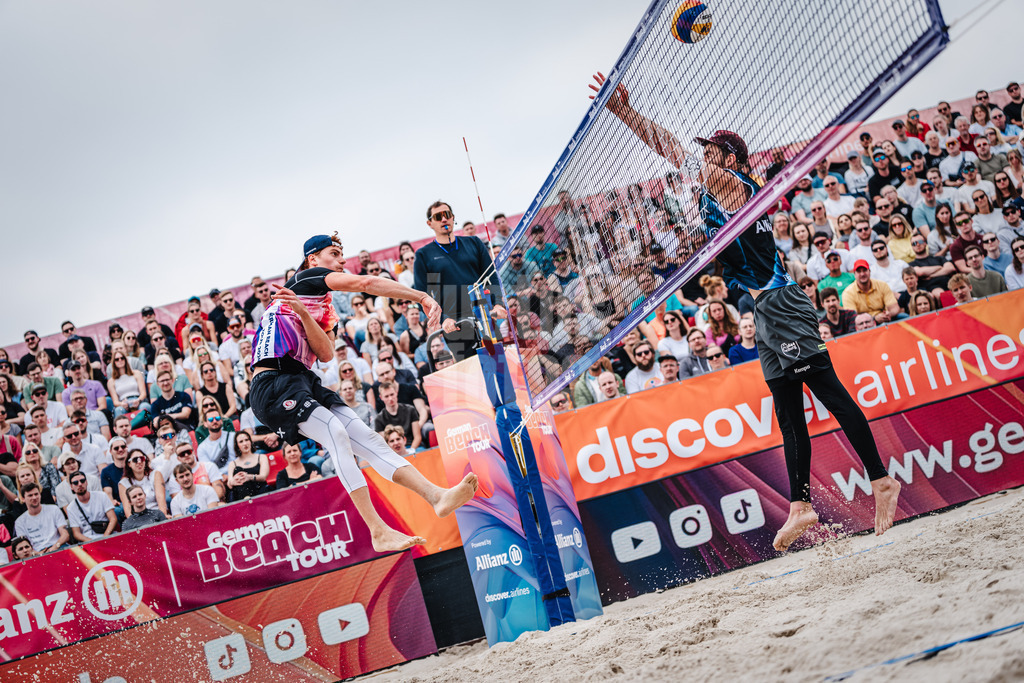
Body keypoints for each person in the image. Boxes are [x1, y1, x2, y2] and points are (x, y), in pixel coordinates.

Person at [592, 72, 898, 551]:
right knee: (788, 414)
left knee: (833, 398)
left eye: (711, 150)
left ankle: (881, 480)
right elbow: (679, 157)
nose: (703, 156)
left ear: (728, 157)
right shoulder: (717, 186)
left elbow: (672, 150)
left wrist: (625, 112)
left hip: (783, 305)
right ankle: (800, 505)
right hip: (763, 309)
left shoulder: (731, 180)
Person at [249, 233, 478, 552]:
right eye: (335, 253)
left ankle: (436, 497)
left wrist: (303, 314)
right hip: (271, 383)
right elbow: (366, 284)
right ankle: (377, 531)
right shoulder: (307, 278)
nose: (342, 260)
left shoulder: (321, 307)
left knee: (370, 439)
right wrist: (421, 297)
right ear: (314, 259)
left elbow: (326, 354)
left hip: (301, 378)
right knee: (336, 434)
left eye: (342, 254)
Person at [413, 201, 506, 362]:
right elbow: (422, 296)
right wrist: (443, 320)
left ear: (453, 218)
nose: (444, 219)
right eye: (438, 217)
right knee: (474, 375)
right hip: (454, 324)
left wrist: (498, 303)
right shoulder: (424, 255)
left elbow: (491, 277)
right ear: (430, 223)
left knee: (500, 365)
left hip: (484, 315)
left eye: (447, 215)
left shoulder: (474, 243)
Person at [14, 483, 69, 553]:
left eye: (36, 494)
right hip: (37, 553)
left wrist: (55, 547)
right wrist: (37, 554)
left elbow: (65, 534)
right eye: (30, 495)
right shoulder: (20, 522)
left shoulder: (53, 509)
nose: (34, 497)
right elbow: (23, 546)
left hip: (59, 546)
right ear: (23, 498)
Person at [65, 471, 117, 543]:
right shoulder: (70, 508)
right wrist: (92, 542)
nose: (80, 484)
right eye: (75, 482)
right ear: (71, 486)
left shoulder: (102, 496)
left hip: (107, 535)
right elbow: (76, 533)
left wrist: (105, 537)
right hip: (88, 541)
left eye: (82, 481)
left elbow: (113, 518)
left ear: (86, 482)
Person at [118, 449, 169, 518]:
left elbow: (161, 502)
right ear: (129, 464)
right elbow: (128, 511)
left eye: (142, 458)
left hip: (156, 514)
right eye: (135, 460)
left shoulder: (156, 474)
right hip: (138, 519)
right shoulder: (124, 483)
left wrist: (161, 518)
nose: (139, 462)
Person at [225, 432, 268, 502]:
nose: (245, 443)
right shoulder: (233, 464)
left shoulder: (262, 457)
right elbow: (229, 482)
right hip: (240, 494)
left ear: (250, 441)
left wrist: (248, 477)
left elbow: (263, 477)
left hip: (259, 489)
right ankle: (246, 499)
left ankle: (248, 500)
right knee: (239, 474)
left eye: (246, 440)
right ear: (237, 445)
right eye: (241, 441)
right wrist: (234, 480)